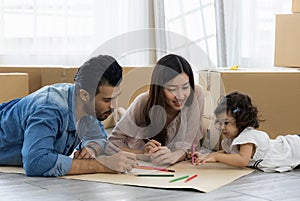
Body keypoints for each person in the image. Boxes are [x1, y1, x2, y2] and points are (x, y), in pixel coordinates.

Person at [0, 55, 137, 176]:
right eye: (107, 100)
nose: (114, 106)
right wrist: (103, 165)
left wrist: (91, 148)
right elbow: (35, 162)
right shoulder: (49, 109)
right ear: (84, 95)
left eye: (116, 97)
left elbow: (98, 137)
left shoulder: (85, 105)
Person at [106, 54, 205, 165]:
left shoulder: (197, 94)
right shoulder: (143, 102)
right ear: (159, 88)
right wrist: (142, 154)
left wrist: (174, 156)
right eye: (172, 89)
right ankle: (120, 113)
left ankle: (121, 113)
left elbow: (191, 143)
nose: (180, 96)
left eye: (185, 87)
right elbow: (112, 143)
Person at [191, 91, 300, 172]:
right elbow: (228, 153)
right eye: (219, 123)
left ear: (241, 121)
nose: (222, 127)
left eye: (226, 123)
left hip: (293, 148)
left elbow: (242, 160)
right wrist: (205, 156)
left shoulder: (247, 137)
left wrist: (216, 157)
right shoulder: (232, 139)